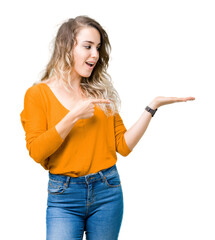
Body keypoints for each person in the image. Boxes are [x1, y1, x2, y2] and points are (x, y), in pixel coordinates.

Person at [20, 15, 195, 240]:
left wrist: (153, 106)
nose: (95, 54)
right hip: (64, 196)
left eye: (98, 47)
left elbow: (122, 146)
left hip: (107, 191)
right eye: (88, 46)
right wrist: (73, 116)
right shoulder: (37, 94)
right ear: (66, 48)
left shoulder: (99, 93)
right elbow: (37, 151)